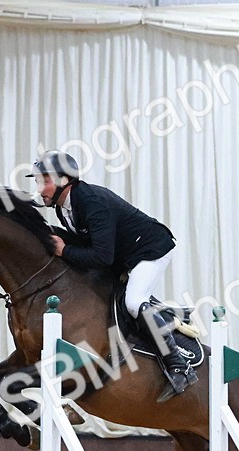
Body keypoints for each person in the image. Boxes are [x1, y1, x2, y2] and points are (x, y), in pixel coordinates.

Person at [26, 150, 197, 398]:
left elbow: (101, 257)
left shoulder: (90, 200)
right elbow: (86, 242)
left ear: (64, 180)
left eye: (45, 181)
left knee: (134, 301)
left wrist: (65, 250)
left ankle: (179, 366)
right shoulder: (63, 208)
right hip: (123, 255)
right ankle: (161, 316)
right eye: (38, 182)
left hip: (150, 248)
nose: (40, 189)